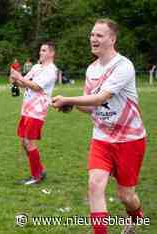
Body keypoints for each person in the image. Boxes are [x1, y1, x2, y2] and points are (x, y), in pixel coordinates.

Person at [52, 19, 146, 234]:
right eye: (92, 35)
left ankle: (136, 216)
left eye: (99, 35)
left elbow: (100, 98)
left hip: (129, 140)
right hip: (102, 138)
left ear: (112, 39)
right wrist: (71, 106)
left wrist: (69, 99)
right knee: (95, 185)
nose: (93, 39)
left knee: (126, 196)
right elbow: (89, 105)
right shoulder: (91, 69)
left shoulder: (123, 66)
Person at [9, 41, 58, 185]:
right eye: (40, 50)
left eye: (44, 50)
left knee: (29, 142)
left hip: (37, 111)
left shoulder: (51, 70)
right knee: (24, 142)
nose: (40, 53)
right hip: (26, 109)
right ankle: (39, 170)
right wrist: (15, 79)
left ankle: (36, 175)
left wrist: (19, 77)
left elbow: (36, 86)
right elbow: (25, 82)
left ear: (51, 53)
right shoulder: (36, 67)